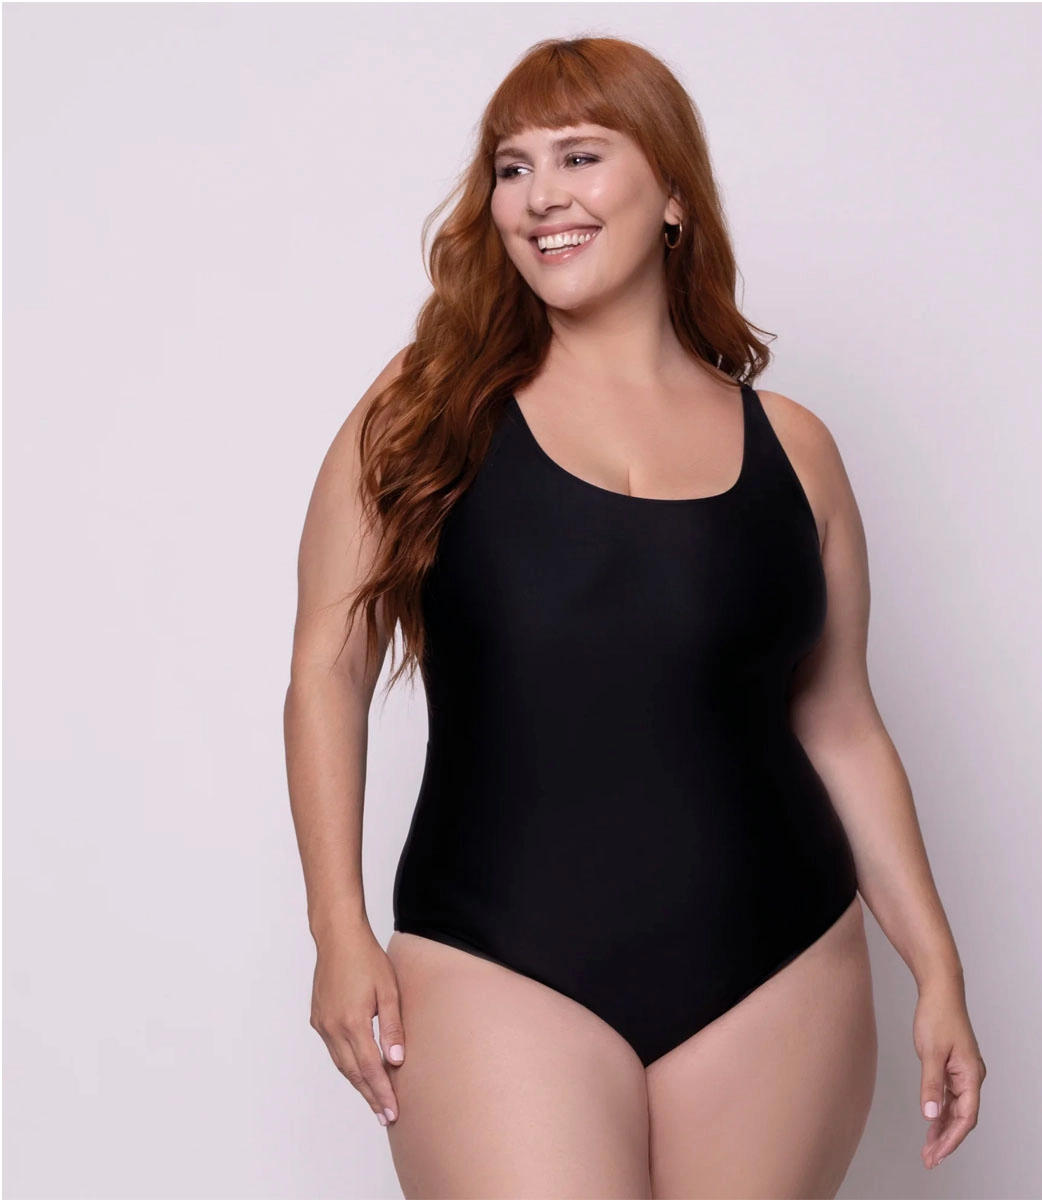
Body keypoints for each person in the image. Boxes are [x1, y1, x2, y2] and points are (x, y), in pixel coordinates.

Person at [283, 34, 986, 1199]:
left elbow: (840, 723)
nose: (540, 196)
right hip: (494, 954)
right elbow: (326, 669)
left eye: (579, 155)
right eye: (512, 167)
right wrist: (337, 927)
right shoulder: (422, 412)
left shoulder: (796, 452)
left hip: (777, 964)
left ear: (672, 194)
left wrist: (939, 966)